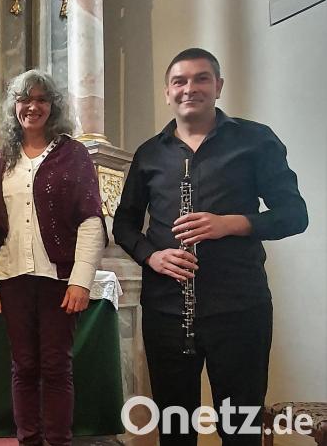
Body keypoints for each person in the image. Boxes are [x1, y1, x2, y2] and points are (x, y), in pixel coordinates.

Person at [112, 48, 308, 445]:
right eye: (180, 81)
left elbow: (294, 215)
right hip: (167, 309)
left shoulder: (255, 140)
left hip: (239, 307)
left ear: (218, 86)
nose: (190, 88)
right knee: (176, 428)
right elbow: (125, 223)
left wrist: (231, 223)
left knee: (239, 429)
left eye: (202, 79)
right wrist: (153, 255)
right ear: (168, 92)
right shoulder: (150, 154)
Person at [0, 69, 106, 446]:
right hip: (12, 277)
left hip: (58, 278)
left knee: (56, 366)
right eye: (24, 99)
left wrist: (81, 279)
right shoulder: (0, 161)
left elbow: (91, 220)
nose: (32, 106)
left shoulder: (73, 154)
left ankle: (58, 441)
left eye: (41, 99)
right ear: (14, 106)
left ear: (53, 106)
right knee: (24, 367)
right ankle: (28, 440)